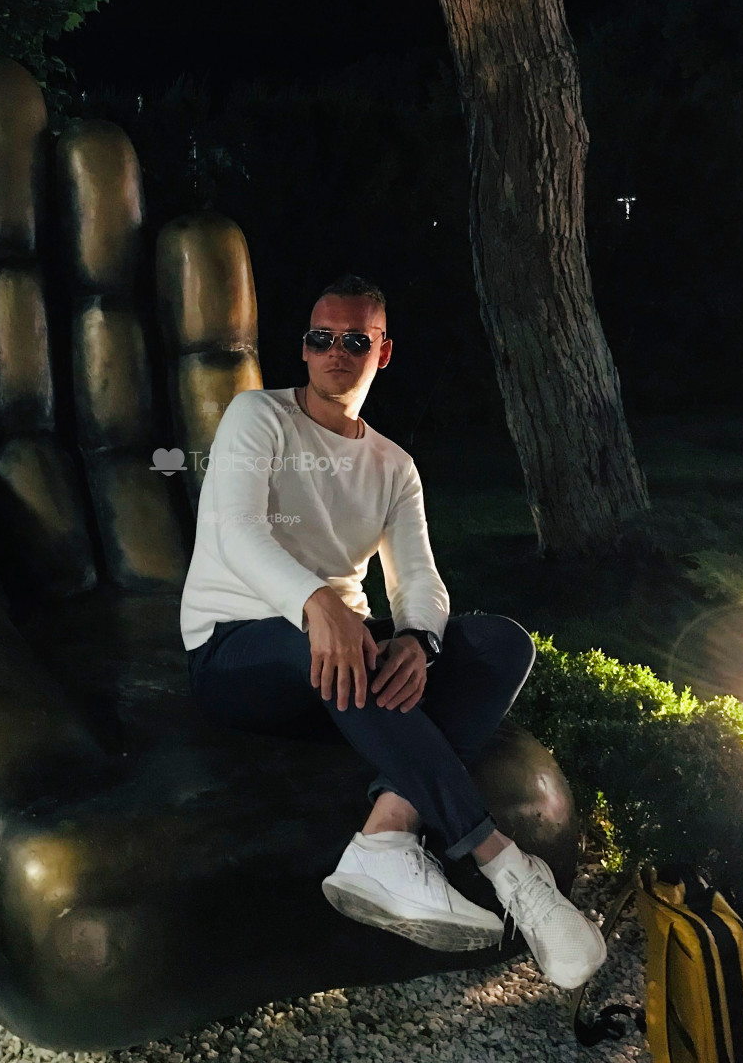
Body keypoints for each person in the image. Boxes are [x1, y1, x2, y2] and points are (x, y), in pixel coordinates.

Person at [179, 274, 606, 989]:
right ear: (304, 349)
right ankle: (508, 870)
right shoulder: (259, 416)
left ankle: (386, 834)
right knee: (337, 641)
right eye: (321, 338)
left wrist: (417, 641)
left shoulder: (393, 466)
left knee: (501, 643)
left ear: (382, 353)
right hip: (235, 648)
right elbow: (237, 533)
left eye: (355, 341)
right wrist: (318, 604)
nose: (334, 352)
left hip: (339, 657)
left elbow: (420, 581)